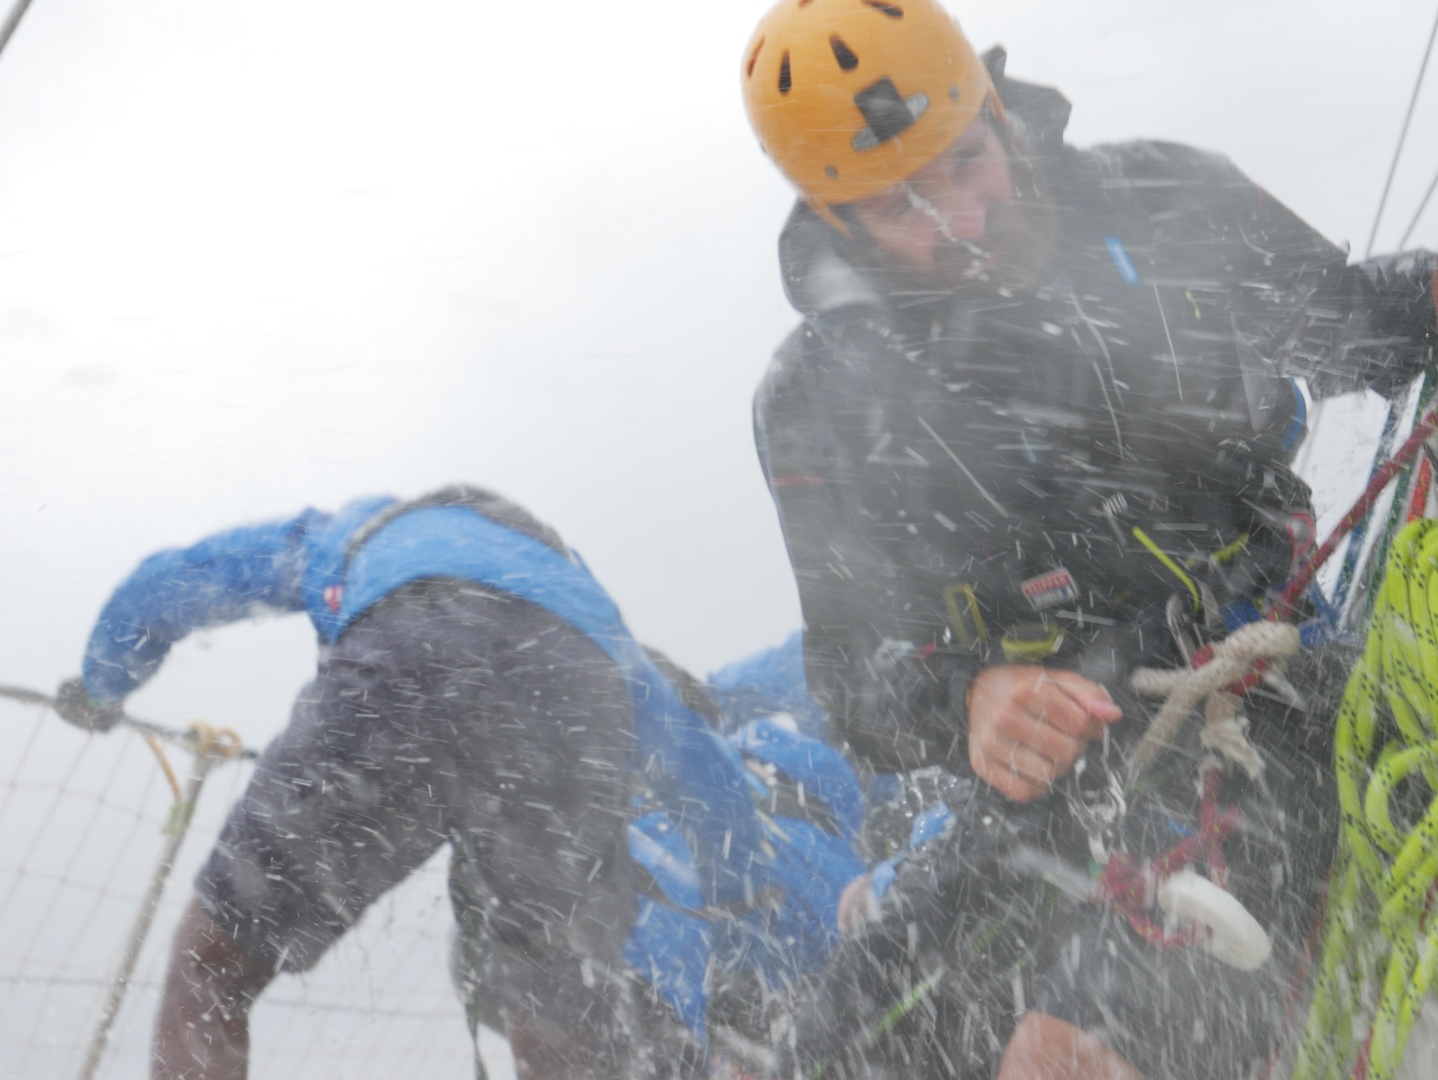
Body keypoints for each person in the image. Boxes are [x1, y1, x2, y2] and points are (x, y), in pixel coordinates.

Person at [738, 1, 1438, 1078]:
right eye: (899, 206)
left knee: (1065, 1056)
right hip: (1035, 801)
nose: (959, 219)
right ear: (836, 220)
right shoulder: (818, 403)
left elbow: (1364, 321)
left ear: (995, 109)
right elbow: (851, 675)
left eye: (965, 162)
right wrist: (966, 698)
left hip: (1259, 709)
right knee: (832, 1048)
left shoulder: (1161, 200)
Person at [56, 486, 865, 1080]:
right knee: (557, 1027)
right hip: (570, 707)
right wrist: (742, 955)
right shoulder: (590, 618)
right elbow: (710, 783)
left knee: (214, 968)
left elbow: (170, 585)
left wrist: (100, 688)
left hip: (410, 652)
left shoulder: (358, 531)